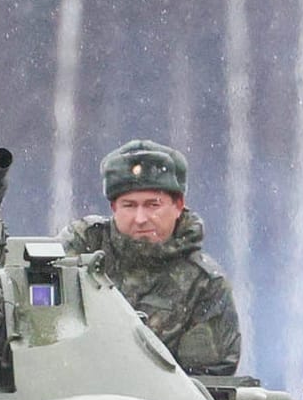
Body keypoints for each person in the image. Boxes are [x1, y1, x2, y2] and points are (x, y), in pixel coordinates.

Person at [60, 139, 241, 375]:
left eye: (153, 205)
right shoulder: (80, 251)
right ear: (114, 208)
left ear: (178, 205)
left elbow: (207, 382)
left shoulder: (204, 284)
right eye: (129, 205)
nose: (141, 218)